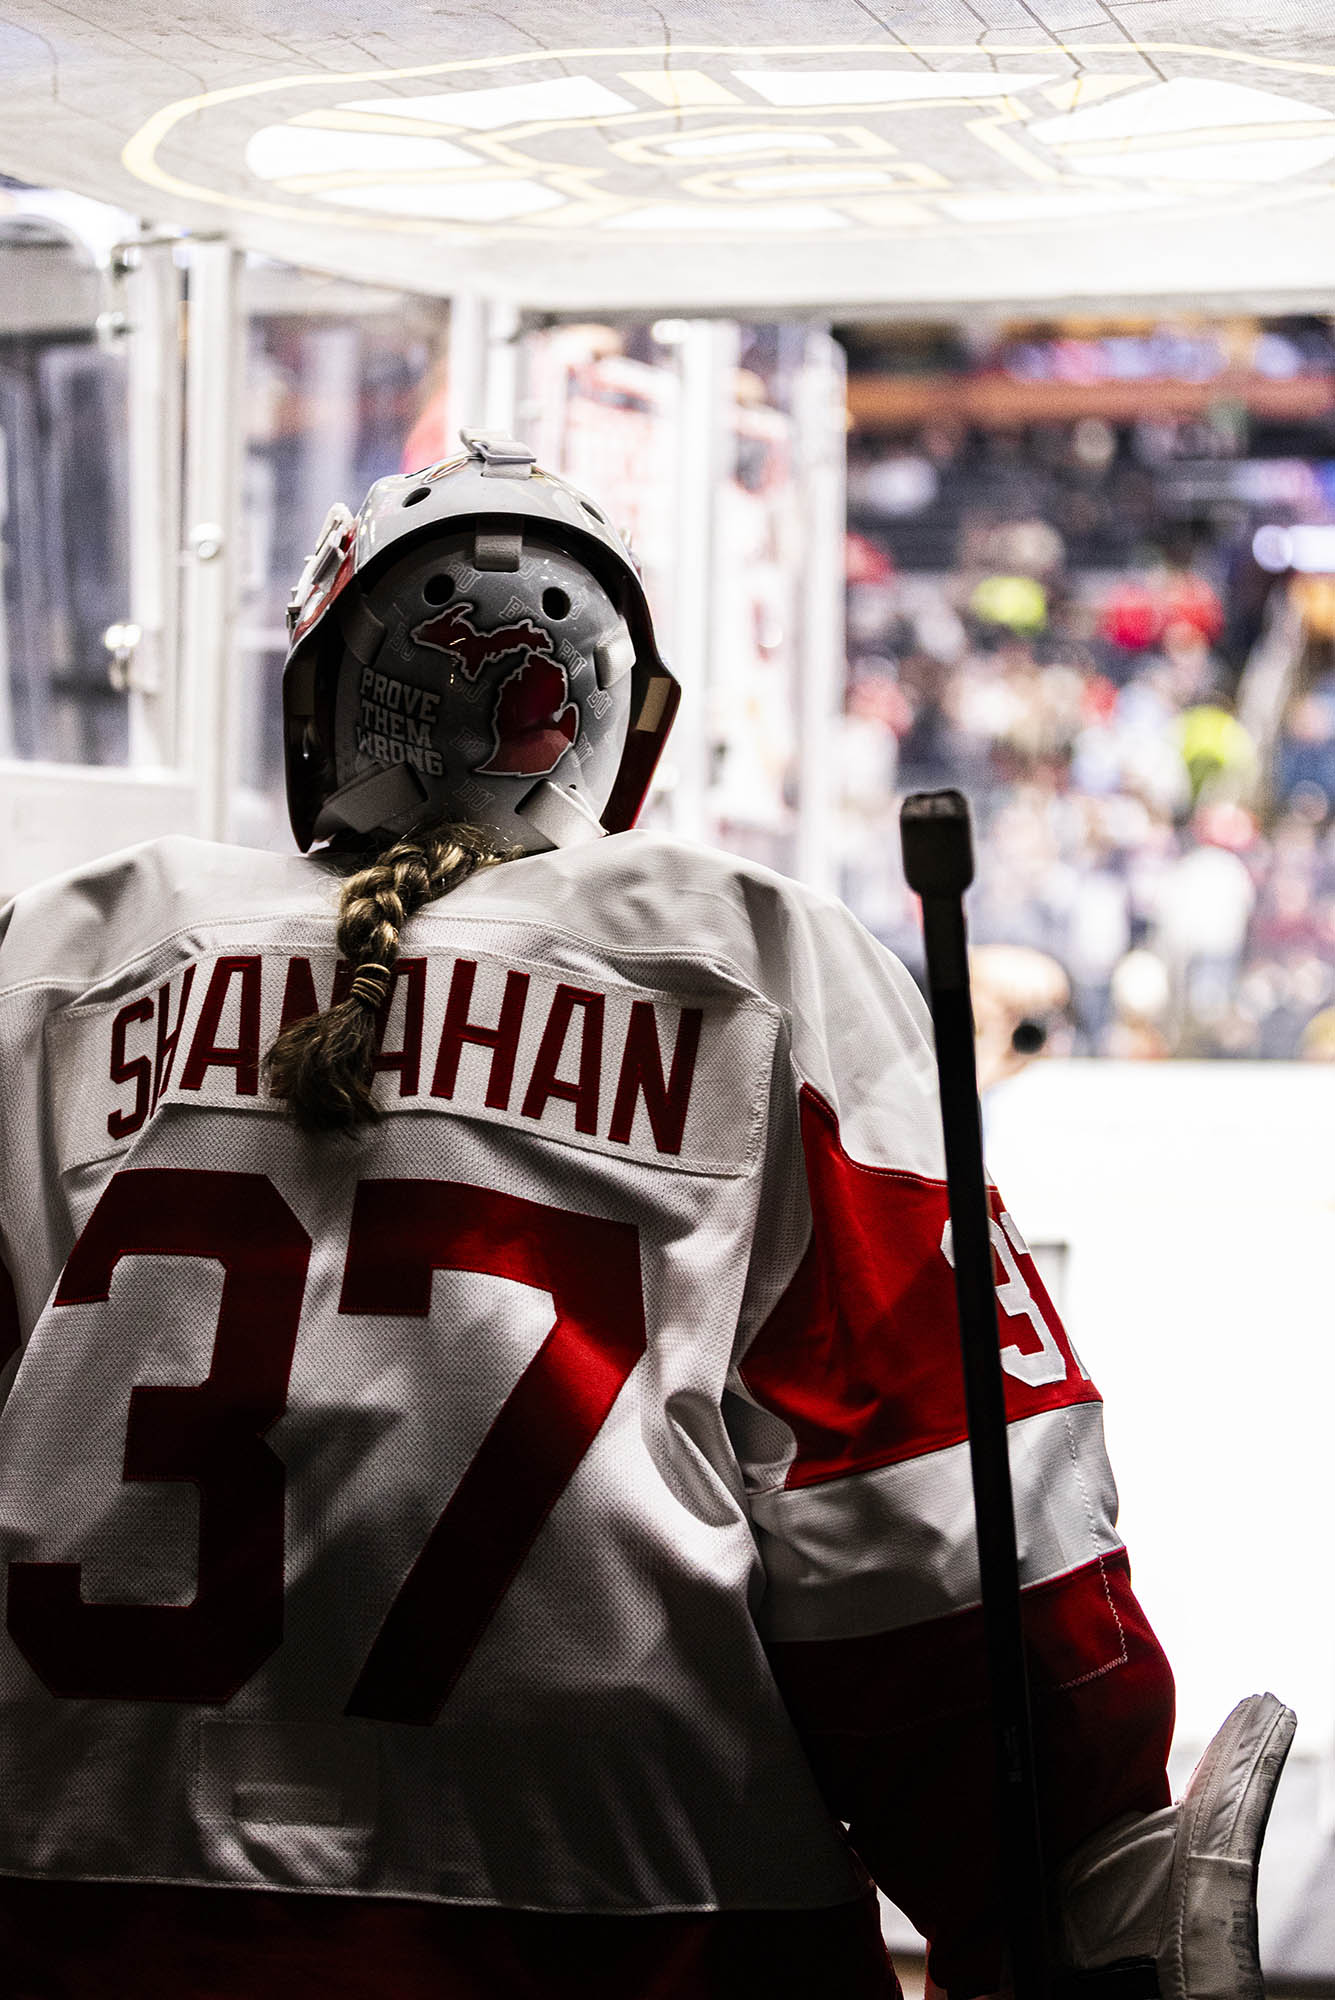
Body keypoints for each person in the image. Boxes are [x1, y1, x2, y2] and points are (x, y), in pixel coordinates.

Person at [0, 432, 1289, 2000]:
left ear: (325, 698)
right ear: (617, 729)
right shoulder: (752, 964)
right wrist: (1059, 1894)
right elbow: (941, 1548)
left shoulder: (59, 963)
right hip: (651, 1941)